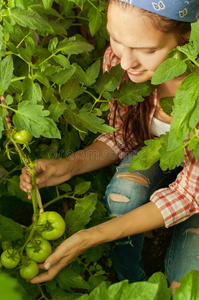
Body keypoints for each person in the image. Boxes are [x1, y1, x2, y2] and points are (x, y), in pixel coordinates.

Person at [20, 0, 199, 292]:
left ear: (188, 40)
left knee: (187, 285)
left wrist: (93, 236)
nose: (127, 63)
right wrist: (70, 165)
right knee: (122, 197)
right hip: (157, 155)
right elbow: (122, 135)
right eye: (115, 39)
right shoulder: (119, 64)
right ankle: (132, 284)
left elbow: (190, 192)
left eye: (147, 50)